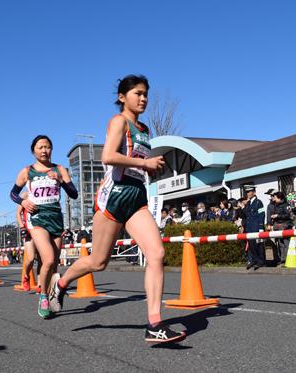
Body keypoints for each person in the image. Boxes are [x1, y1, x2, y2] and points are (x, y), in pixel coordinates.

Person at [49, 74, 185, 343]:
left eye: (146, 94)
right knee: (98, 262)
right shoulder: (118, 121)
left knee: (156, 253)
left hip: (136, 198)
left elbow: (137, 163)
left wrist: (152, 169)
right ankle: (61, 283)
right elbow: (108, 156)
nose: (143, 98)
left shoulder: (145, 131)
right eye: (138, 93)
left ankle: (154, 325)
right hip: (113, 199)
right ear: (123, 97)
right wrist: (144, 164)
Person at [10, 134, 78, 318]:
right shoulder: (27, 171)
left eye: (47, 147)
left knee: (53, 264)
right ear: (33, 150)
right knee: (47, 259)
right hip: (37, 218)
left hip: (55, 218)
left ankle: (51, 293)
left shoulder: (60, 169)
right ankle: (43, 297)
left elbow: (74, 194)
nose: (44, 150)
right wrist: (23, 203)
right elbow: (13, 193)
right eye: (40, 147)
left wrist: (61, 181)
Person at [16, 194, 40, 290]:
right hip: (29, 231)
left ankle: (40, 284)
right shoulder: (25, 195)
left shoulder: (42, 194)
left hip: (41, 229)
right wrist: (22, 227)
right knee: (30, 258)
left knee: (41, 259)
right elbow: (18, 213)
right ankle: (26, 275)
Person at [243, 185, 265, 270]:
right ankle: (253, 261)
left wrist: (261, 227)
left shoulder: (258, 202)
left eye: (249, 192)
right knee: (251, 245)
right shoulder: (248, 203)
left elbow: (262, 215)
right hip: (250, 227)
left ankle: (260, 261)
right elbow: (246, 215)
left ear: (254, 192)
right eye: (247, 192)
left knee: (258, 245)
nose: (248, 193)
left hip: (256, 227)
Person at [270, 191, 293, 265]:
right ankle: (283, 259)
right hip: (278, 227)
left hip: (285, 226)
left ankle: (288, 259)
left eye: (275, 197)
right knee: (280, 243)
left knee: (286, 243)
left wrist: (278, 216)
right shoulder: (276, 205)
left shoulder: (286, 205)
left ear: (280, 198)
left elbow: (288, 215)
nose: (274, 199)